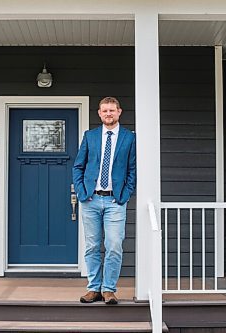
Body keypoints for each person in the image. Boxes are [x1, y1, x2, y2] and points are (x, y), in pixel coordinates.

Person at [72, 96, 136, 305]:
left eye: (112, 110)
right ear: (99, 113)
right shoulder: (90, 136)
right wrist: (82, 193)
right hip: (90, 199)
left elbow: (133, 169)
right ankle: (93, 288)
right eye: (104, 110)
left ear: (119, 112)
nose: (108, 114)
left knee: (114, 245)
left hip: (115, 201)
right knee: (91, 246)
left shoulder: (129, 138)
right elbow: (78, 166)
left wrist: (125, 195)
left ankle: (108, 289)